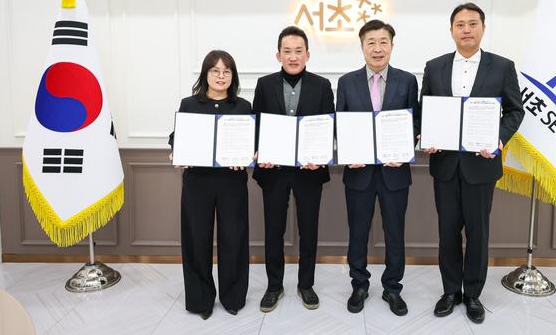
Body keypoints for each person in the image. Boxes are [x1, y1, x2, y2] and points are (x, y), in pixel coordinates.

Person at [419, 3, 524, 323]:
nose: (466, 29)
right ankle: (451, 291)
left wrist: (498, 139)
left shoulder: (502, 66)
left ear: (483, 28)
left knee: (478, 233)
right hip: (445, 165)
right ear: (451, 29)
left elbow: (515, 111)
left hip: (482, 165)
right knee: (447, 231)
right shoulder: (434, 66)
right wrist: (426, 135)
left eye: (473, 23)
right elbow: (425, 110)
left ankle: (473, 294)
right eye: (460, 24)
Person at [336, 19, 419, 317]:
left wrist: (406, 150)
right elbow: (341, 123)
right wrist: (347, 151)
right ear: (362, 47)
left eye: (383, 42)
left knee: (395, 232)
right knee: (357, 232)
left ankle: (392, 287)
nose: (377, 48)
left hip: (394, 172)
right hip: (358, 173)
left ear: (392, 46)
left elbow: (415, 122)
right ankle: (359, 284)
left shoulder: (407, 81)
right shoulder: (346, 82)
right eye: (371, 42)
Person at [253, 26, 335, 312]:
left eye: (298, 51)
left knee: (308, 230)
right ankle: (274, 286)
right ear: (278, 55)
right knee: (273, 230)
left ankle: (306, 285)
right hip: (273, 170)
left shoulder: (322, 85)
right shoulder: (264, 85)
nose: (293, 56)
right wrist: (260, 152)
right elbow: (257, 124)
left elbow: (329, 125)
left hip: (309, 171)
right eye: (287, 51)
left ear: (307, 54)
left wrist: (322, 155)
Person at [169, 50, 251, 320]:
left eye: (227, 71)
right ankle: (200, 300)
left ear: (233, 76)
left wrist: (250, 154)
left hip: (232, 183)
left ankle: (233, 297)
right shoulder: (189, 104)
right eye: (215, 70)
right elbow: (176, 137)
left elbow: (252, 141)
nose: (221, 76)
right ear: (206, 74)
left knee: (234, 239)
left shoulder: (243, 106)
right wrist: (175, 152)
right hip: (197, 183)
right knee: (197, 240)